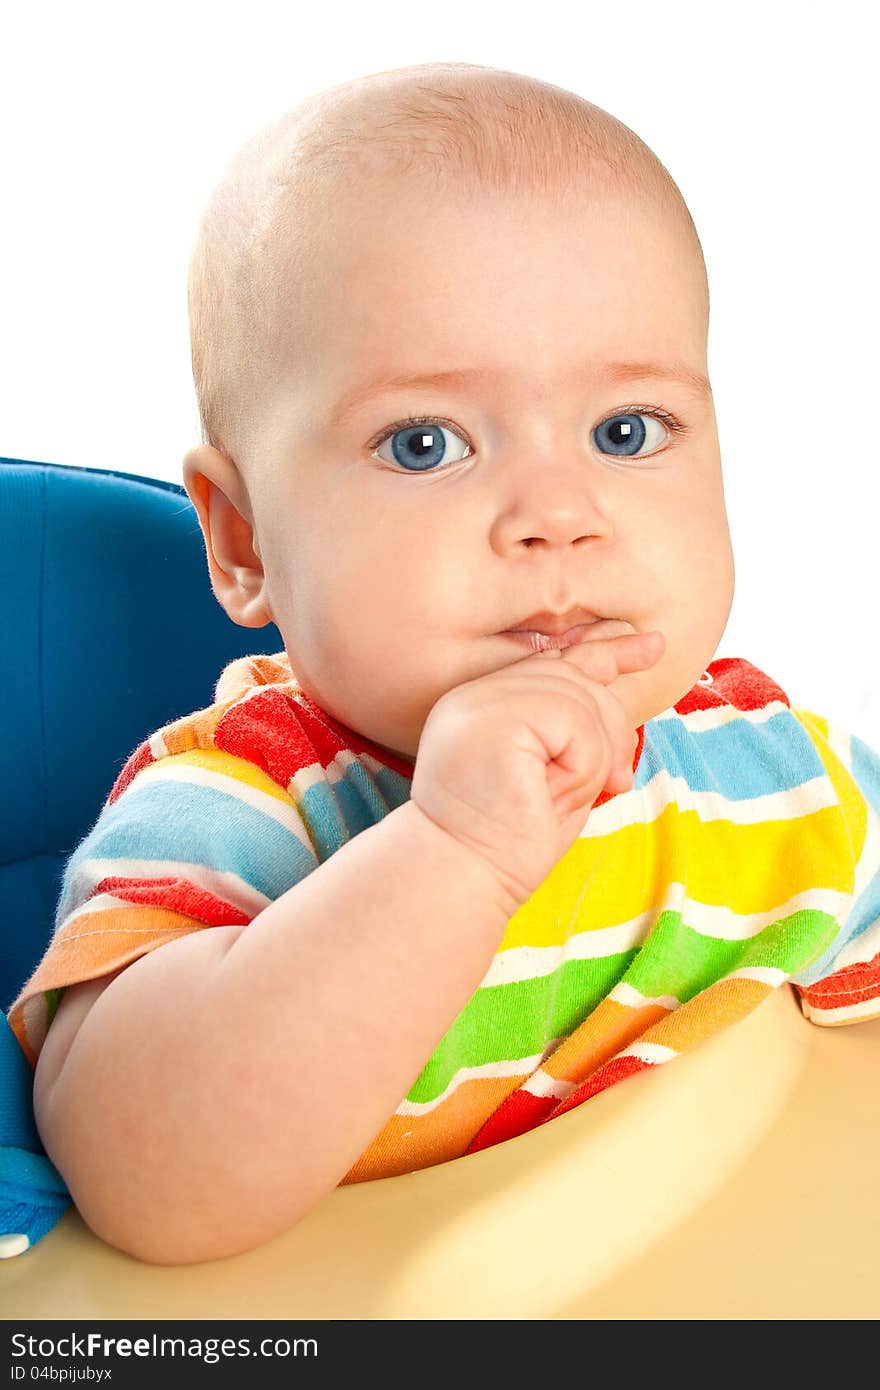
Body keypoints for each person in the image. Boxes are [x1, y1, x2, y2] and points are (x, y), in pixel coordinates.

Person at [6, 61, 879, 1267]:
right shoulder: (249, 805)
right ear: (245, 538)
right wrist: (458, 849)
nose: (557, 513)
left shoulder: (776, 773)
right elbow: (152, 1181)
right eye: (426, 443)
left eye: (626, 431)